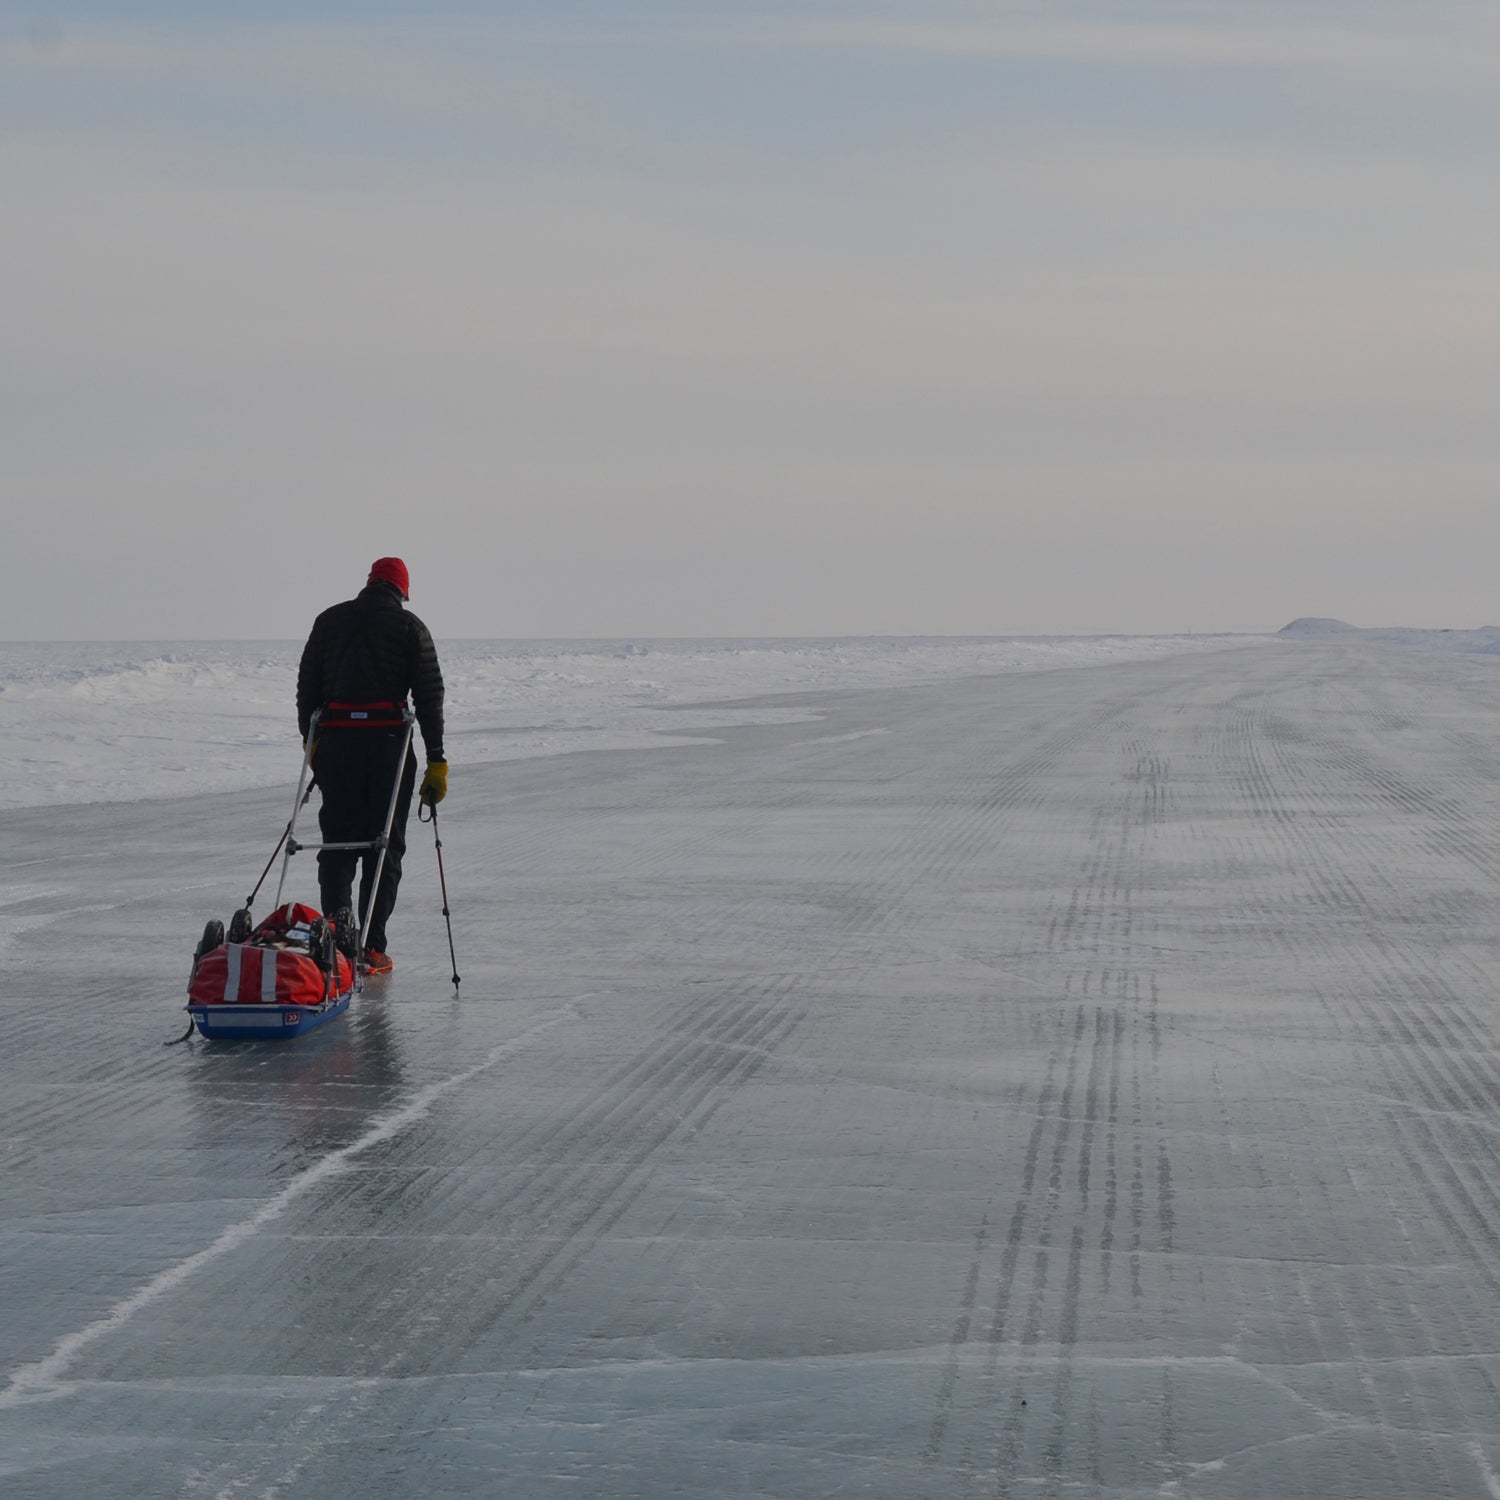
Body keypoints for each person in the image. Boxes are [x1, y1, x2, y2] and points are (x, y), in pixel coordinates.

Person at [296, 557, 447, 974]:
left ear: (369, 583)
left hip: (337, 747)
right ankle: (372, 947)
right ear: (401, 590)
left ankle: (339, 935)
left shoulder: (329, 621)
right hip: (389, 750)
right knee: (385, 846)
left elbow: (306, 689)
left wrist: (312, 747)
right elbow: (430, 697)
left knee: (339, 842)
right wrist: (437, 761)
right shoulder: (409, 627)